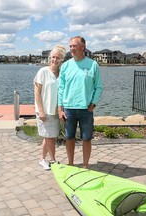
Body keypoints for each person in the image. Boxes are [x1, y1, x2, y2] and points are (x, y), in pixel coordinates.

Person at [58, 36, 103, 168]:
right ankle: (70, 163)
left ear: (82, 47)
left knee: (86, 139)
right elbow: (61, 88)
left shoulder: (93, 65)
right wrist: (60, 109)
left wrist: (93, 104)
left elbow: (98, 86)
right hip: (69, 109)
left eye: (74, 46)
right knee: (69, 138)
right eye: (70, 46)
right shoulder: (65, 66)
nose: (72, 48)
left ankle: (85, 165)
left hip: (86, 110)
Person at [34, 45, 66, 170]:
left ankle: (42, 159)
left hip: (54, 112)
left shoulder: (61, 74)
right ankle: (53, 160)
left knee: (49, 136)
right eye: (53, 57)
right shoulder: (43, 72)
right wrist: (41, 111)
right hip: (44, 112)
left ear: (61, 59)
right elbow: (37, 92)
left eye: (57, 58)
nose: (54, 60)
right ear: (49, 58)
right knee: (50, 137)